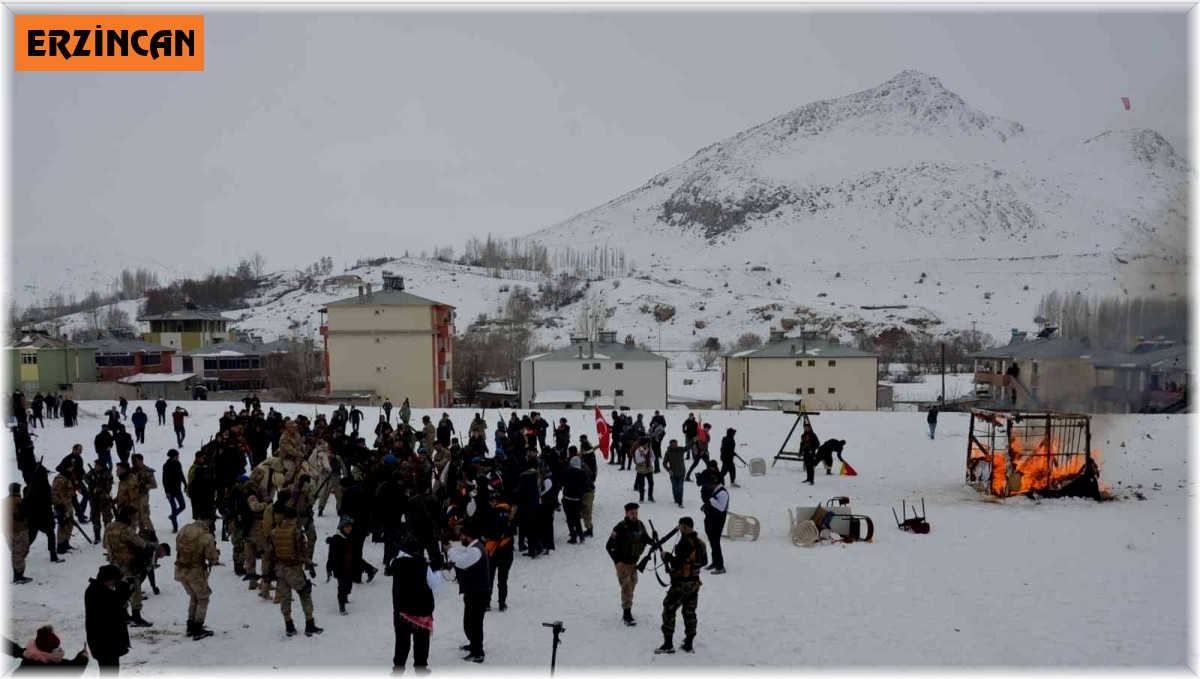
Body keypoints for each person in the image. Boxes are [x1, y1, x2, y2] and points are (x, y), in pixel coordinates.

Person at [387, 532, 441, 672]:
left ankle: (398, 670)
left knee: (401, 643)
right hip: (421, 611)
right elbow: (435, 585)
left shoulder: (395, 563)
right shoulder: (423, 566)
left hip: (401, 611)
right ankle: (421, 669)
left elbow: (393, 561)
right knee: (421, 644)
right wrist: (437, 569)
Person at [655, 516, 708, 655]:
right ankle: (689, 643)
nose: (679, 529)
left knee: (669, 608)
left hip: (682, 584)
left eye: (680, 527)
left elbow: (677, 563)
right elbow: (705, 562)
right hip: (695, 583)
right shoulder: (701, 543)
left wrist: (666, 556)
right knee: (689, 612)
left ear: (685, 527)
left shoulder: (685, 543)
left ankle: (668, 644)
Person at [271, 506, 323, 637]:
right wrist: (309, 563)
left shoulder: (275, 531)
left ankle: (289, 626)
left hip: (279, 568)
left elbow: (270, 551)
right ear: (294, 518)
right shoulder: (296, 532)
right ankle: (310, 625)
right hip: (293, 569)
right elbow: (302, 552)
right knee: (305, 593)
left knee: (285, 597)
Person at [445, 522, 490, 663]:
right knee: (470, 622)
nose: (460, 537)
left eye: (462, 535)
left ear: (469, 536)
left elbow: (461, 562)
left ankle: (478, 652)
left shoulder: (476, 551)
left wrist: (449, 549)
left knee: (474, 623)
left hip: (478, 592)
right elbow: (461, 560)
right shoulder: (473, 548)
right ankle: (474, 645)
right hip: (474, 591)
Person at [102, 506, 152, 627]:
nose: (135, 520)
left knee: (120, 590)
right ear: (129, 516)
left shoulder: (109, 526)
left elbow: (104, 544)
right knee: (135, 588)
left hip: (113, 564)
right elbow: (142, 544)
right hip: (127, 565)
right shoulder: (126, 530)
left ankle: (123, 615)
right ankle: (136, 616)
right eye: (134, 517)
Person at [174, 514, 221, 640]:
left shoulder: (184, 529)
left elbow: (177, 546)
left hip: (180, 570)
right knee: (203, 598)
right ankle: (198, 627)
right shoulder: (206, 536)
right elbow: (212, 557)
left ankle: (190, 625)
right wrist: (216, 553)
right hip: (195, 572)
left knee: (193, 596)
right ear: (208, 521)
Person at [606, 502, 649, 626]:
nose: (634, 515)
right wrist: (617, 561)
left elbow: (646, 539)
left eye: (636, 513)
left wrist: (654, 540)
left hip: (634, 563)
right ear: (626, 513)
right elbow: (609, 546)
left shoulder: (640, 525)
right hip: (622, 563)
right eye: (632, 513)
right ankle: (627, 614)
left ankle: (627, 606)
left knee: (632, 584)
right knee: (627, 586)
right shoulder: (620, 527)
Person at [85, 564, 133, 675]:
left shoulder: (98, 588)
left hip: (106, 642)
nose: (114, 583)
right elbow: (116, 602)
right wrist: (124, 587)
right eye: (114, 580)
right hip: (104, 642)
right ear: (108, 579)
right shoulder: (97, 592)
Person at [483, 498, 516, 612]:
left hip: (491, 549)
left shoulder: (492, 513)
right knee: (503, 578)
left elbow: (485, 530)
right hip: (506, 549)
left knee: (489, 577)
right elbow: (513, 530)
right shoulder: (510, 514)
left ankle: (487, 603)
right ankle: (502, 603)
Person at [15, 625, 89, 674]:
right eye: (55, 647)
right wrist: (83, 658)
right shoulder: (53, 664)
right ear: (51, 650)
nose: (58, 649)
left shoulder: (29, 656)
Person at [325, 517, 356, 615]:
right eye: (347, 526)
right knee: (342, 587)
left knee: (349, 586)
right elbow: (331, 556)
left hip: (350, 567)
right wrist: (329, 569)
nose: (349, 528)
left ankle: (345, 596)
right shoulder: (336, 539)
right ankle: (341, 604)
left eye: (350, 526)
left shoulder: (350, 537)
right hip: (340, 568)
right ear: (342, 527)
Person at [701, 476, 729, 575]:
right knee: (712, 542)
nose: (708, 486)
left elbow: (721, 508)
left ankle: (720, 565)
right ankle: (715, 562)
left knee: (715, 543)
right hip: (711, 520)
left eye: (709, 484)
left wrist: (711, 499)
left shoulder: (723, 493)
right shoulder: (715, 491)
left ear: (714, 483)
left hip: (718, 521)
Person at [6, 483, 32, 584]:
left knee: (14, 551)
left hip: (7, 530)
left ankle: (16, 572)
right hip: (20, 529)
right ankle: (19, 575)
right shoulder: (20, 502)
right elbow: (27, 515)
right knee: (20, 551)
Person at [85, 460, 114, 545]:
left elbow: (109, 486)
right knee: (95, 517)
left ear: (101, 466)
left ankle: (108, 536)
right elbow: (85, 477)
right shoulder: (93, 471)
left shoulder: (107, 474)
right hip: (94, 499)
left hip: (104, 499)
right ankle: (97, 536)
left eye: (97, 465)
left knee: (107, 518)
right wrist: (90, 483)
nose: (95, 466)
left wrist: (102, 488)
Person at [163, 450, 187, 533]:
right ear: (172, 456)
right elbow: (164, 480)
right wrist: (167, 492)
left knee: (183, 506)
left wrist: (185, 483)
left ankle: (172, 516)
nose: (178, 457)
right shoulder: (166, 466)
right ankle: (175, 527)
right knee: (173, 508)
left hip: (178, 489)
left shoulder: (178, 464)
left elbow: (181, 474)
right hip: (170, 491)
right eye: (176, 456)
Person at [664, 439, 687, 507]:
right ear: (670, 445)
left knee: (680, 487)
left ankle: (680, 501)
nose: (674, 446)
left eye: (675, 444)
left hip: (681, 472)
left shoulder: (681, 449)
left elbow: (688, 447)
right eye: (673, 444)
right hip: (673, 473)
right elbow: (664, 463)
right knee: (674, 487)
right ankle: (676, 498)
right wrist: (669, 470)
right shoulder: (668, 452)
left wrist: (694, 440)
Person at [633, 437, 655, 503]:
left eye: (647, 444)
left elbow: (653, 457)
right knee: (642, 485)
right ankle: (641, 498)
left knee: (651, 483)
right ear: (642, 444)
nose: (647, 445)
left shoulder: (650, 449)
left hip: (649, 469)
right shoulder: (638, 450)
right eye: (646, 444)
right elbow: (638, 460)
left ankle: (650, 496)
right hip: (641, 470)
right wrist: (644, 458)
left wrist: (650, 460)